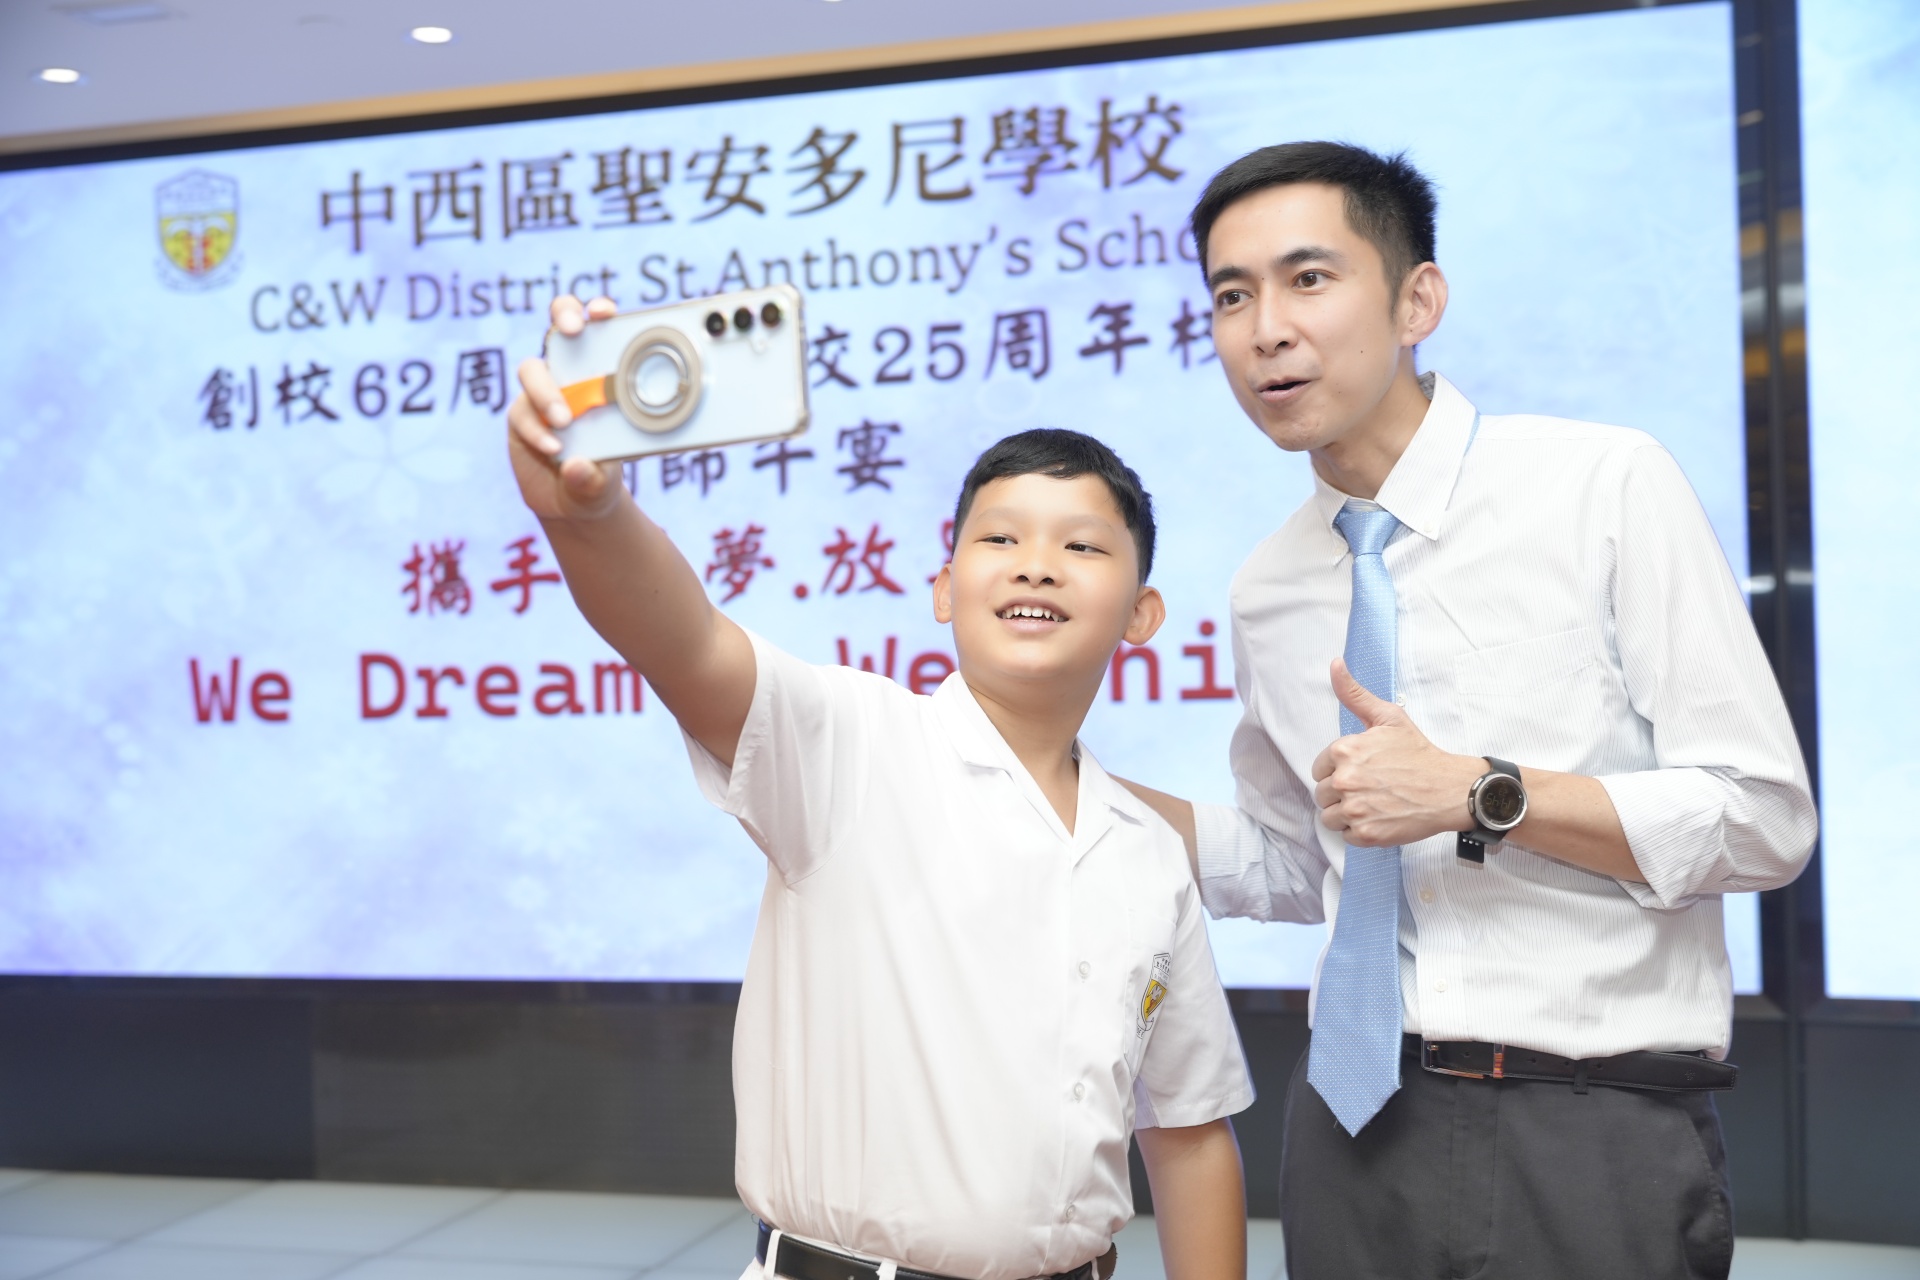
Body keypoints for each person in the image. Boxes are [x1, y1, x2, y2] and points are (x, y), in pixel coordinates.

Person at [1118, 143, 1818, 1279]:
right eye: (1232, 296)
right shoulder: (1268, 587)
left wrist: (1482, 792)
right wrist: (1072, 791)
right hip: (1349, 1126)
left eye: (1308, 279)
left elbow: (1765, 818)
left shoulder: (1600, 485)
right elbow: (1301, 862)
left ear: (1418, 301)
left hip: (1587, 1118)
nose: (1265, 330)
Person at [505, 296, 1254, 1280]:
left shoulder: (1149, 851)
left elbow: (1190, 1133)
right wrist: (586, 515)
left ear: (1142, 614)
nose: (1037, 566)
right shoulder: (850, 744)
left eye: (1081, 546)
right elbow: (683, 641)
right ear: (943, 588)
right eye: (1000, 540)